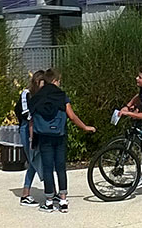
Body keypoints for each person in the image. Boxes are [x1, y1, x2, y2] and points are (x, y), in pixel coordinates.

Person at [30, 68, 95, 213]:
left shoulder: (37, 97)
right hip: (60, 134)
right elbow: (71, 116)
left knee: (47, 168)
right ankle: (63, 200)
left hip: (44, 136)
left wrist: (32, 138)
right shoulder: (61, 96)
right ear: (55, 81)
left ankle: (49, 201)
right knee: (60, 167)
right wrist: (85, 127)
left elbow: (32, 120)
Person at [17, 70, 44, 206]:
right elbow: (26, 113)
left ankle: (27, 192)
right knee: (33, 159)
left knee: (36, 159)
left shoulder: (41, 95)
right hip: (26, 129)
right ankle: (26, 194)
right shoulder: (26, 94)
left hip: (37, 128)